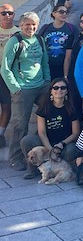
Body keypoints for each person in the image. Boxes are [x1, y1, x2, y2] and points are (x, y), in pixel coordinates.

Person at [1, 12, 51, 170]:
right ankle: (16, 157)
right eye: (27, 24)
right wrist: (15, 89)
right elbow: (5, 68)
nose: (30, 27)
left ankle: (39, 151)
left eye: (33, 24)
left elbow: (44, 64)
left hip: (41, 85)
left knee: (49, 114)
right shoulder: (15, 41)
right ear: (21, 25)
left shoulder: (40, 40)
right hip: (23, 87)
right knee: (20, 125)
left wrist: (48, 82)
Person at [21, 78, 80, 179]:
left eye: (63, 88)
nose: (59, 90)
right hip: (46, 142)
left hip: (64, 143)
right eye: (55, 88)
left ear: (67, 91)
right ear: (51, 91)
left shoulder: (72, 108)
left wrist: (61, 144)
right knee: (27, 141)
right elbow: (42, 132)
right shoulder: (44, 107)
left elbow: (76, 133)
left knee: (72, 150)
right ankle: (33, 169)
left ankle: (62, 170)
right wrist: (49, 150)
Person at [0, 4, 19, 148]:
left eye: (10, 13)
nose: (7, 15)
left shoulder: (19, 32)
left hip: (9, 73)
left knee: (6, 105)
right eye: (3, 13)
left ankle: (1, 135)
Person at [38, 4, 76, 80]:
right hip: (47, 66)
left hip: (64, 66)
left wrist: (66, 75)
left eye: (66, 12)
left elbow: (71, 51)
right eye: (61, 12)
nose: (64, 14)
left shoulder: (71, 29)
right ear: (54, 13)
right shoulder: (46, 28)